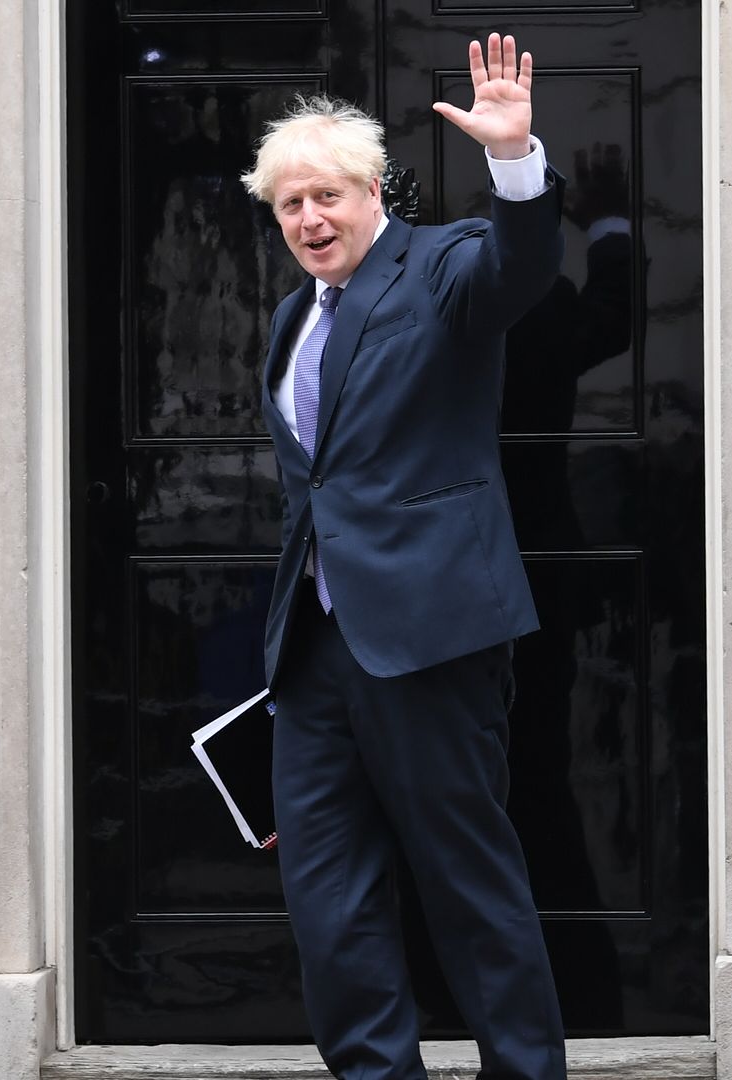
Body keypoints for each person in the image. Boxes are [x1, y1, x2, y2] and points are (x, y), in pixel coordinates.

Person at [238, 33, 567, 1080]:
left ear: (373, 190)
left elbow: (522, 267)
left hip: (431, 635)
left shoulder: (443, 267)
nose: (309, 220)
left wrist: (516, 163)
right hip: (316, 657)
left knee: (467, 885)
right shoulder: (294, 317)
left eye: (326, 195)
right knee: (328, 901)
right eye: (290, 204)